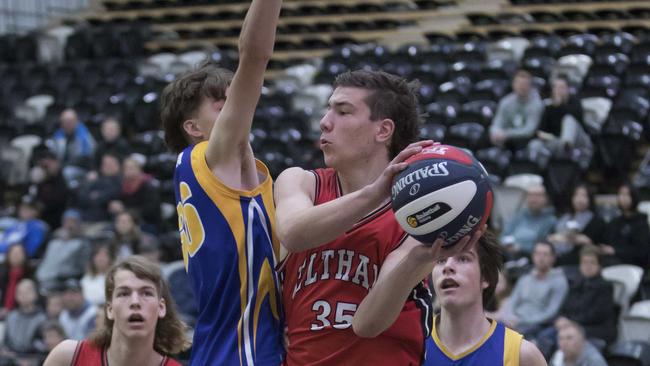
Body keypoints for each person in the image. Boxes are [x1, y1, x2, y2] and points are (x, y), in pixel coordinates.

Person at [274, 70, 481, 365]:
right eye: (328, 109)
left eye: (343, 111)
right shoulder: (301, 182)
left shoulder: (416, 211)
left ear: (383, 130)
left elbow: (367, 325)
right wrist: (373, 193)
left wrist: (418, 260)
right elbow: (293, 234)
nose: (325, 121)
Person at [160, 0, 284, 364]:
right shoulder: (203, 158)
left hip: (248, 344)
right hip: (236, 352)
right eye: (221, 104)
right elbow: (255, 57)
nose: (236, 106)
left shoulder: (252, 175)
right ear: (194, 129)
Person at [43, 255, 189, 366]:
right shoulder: (68, 357)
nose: (135, 302)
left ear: (161, 308)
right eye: (124, 293)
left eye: (146, 293)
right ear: (109, 309)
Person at [508, 241, 568, 339]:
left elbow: (552, 311)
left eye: (545, 254)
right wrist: (511, 317)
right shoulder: (525, 278)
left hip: (537, 325)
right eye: (538, 253)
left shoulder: (559, 281)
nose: (541, 258)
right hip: (515, 320)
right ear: (533, 256)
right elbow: (513, 301)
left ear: (553, 258)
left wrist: (522, 321)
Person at [547, 183, 606, 265]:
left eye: (583, 196)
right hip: (557, 255)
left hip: (578, 259)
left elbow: (596, 245)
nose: (579, 199)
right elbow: (552, 236)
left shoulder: (596, 221)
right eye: (576, 195)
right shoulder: (564, 217)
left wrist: (584, 241)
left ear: (590, 199)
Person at [489, 68, 544, 153]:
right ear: (513, 84)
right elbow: (497, 123)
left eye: (524, 84)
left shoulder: (536, 104)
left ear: (530, 86)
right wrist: (495, 132)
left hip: (527, 140)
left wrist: (506, 134)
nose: (521, 87)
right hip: (508, 140)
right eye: (519, 83)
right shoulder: (506, 102)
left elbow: (529, 130)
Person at [500, 184, 557, 260]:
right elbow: (503, 236)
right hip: (507, 253)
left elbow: (542, 244)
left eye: (538, 195)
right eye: (530, 195)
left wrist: (520, 248)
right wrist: (506, 244)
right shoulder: (518, 216)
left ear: (545, 198)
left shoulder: (550, 220)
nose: (534, 199)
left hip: (531, 257)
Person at [600, 182, 650, 268]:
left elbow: (642, 252)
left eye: (627, 194)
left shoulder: (641, 223)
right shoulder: (615, 221)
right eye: (621, 194)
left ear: (634, 197)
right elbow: (605, 240)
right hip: (612, 259)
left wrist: (615, 251)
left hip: (632, 265)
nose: (623, 198)